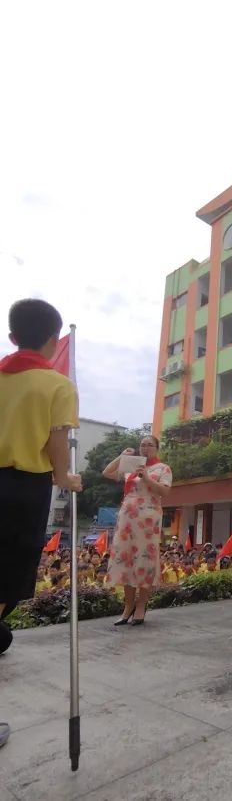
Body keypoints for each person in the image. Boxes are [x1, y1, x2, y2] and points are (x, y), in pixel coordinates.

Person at [0, 298, 81, 749]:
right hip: (23, 491)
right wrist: (65, 477)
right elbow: (57, 441)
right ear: (54, 341)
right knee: (4, 590)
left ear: (13, 337)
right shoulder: (57, 384)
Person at [103, 436, 172, 626]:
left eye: (150, 445)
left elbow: (165, 492)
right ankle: (128, 607)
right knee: (126, 559)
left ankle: (141, 606)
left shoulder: (163, 468)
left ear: (157, 448)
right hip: (127, 519)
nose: (145, 448)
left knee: (144, 560)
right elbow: (107, 473)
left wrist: (147, 478)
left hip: (148, 520)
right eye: (142, 445)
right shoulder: (131, 466)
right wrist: (121, 457)